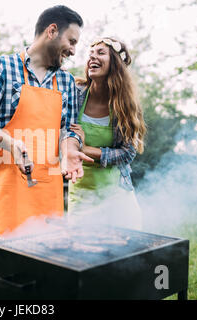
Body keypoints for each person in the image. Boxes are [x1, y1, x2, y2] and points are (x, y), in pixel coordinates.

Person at [0, 5, 92, 235]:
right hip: (8, 190)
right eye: (72, 41)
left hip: (48, 191)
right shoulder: (2, 67)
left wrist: (70, 149)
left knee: (47, 265)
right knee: (8, 266)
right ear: (52, 31)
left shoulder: (66, 82)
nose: (74, 51)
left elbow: (69, 130)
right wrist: (10, 144)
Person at [69, 37, 146, 230]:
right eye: (90, 54)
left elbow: (127, 153)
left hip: (117, 193)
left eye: (100, 53)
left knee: (126, 251)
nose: (92, 57)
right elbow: (61, 133)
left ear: (115, 64)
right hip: (82, 193)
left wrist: (86, 149)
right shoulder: (74, 94)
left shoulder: (125, 105)